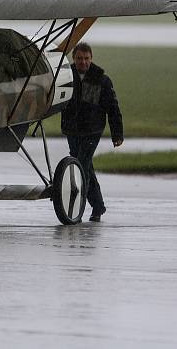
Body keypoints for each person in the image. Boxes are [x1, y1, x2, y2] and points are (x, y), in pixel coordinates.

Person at [61, 42, 124, 222]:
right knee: (84, 166)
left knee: (81, 164)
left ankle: (78, 209)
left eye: (86, 58)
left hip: (92, 130)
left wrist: (117, 134)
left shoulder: (101, 79)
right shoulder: (65, 76)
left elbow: (113, 108)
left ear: (91, 58)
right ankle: (98, 207)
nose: (83, 62)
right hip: (72, 129)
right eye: (79, 59)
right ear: (74, 59)